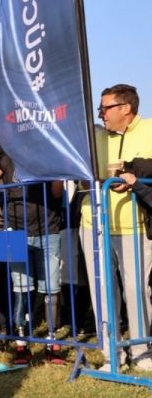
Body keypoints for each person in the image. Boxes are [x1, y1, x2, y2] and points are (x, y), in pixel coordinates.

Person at [80, 84, 152, 371]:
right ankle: (112, 354)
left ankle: (141, 351)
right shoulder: (94, 136)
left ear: (126, 108)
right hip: (93, 224)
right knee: (102, 292)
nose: (101, 113)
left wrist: (135, 176)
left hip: (134, 226)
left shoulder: (149, 130)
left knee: (136, 291)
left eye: (105, 108)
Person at [0, 134, 64, 364]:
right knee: (21, 291)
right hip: (15, 232)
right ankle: (21, 345)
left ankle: (53, 344)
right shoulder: (5, 157)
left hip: (48, 230)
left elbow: (56, 191)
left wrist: (56, 168)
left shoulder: (46, 153)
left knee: (51, 291)